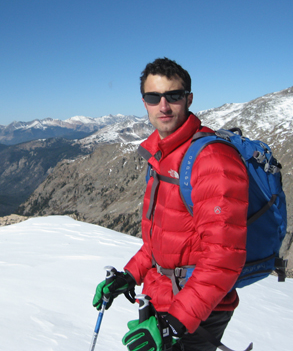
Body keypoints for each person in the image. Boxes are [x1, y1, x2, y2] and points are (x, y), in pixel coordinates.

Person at [93, 58, 249, 351]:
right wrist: (129, 276)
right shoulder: (160, 156)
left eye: (173, 96)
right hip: (162, 299)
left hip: (196, 311)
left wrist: (173, 323)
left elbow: (224, 258)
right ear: (145, 103)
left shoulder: (212, 160)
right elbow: (160, 242)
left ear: (188, 99)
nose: (163, 106)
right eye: (154, 97)